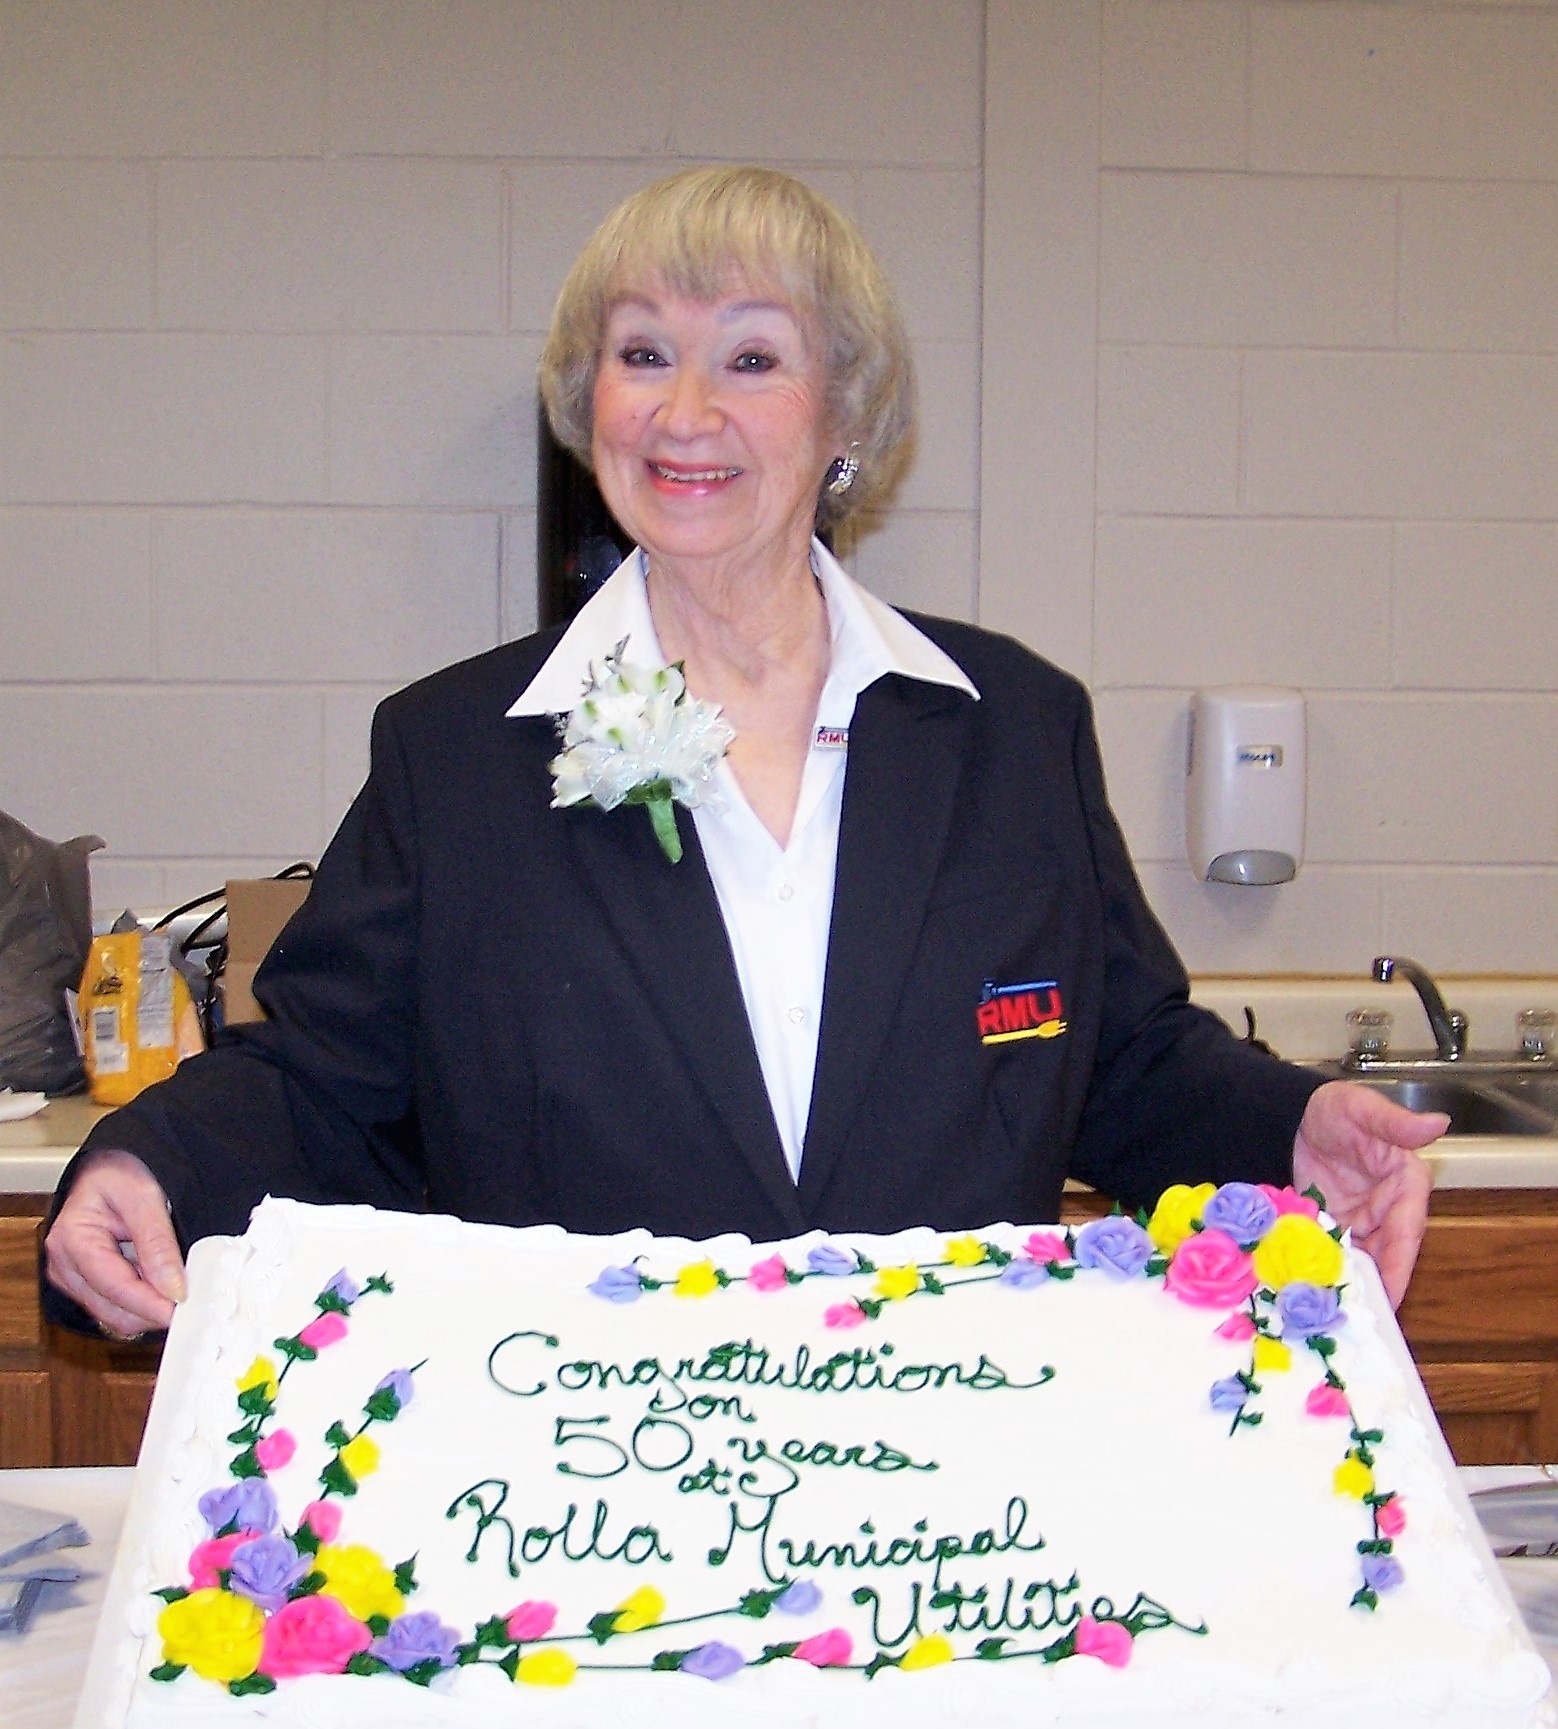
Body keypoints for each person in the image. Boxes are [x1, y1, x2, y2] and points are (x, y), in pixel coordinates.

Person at [43, 166, 1446, 1343]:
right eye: (642, 353)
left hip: (943, 1454)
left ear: (846, 418)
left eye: (753, 359)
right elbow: (328, 1085)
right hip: (589, 1471)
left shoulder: (1011, 728)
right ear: (588, 397)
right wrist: (148, 1162)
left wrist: (1292, 1130)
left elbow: (1117, 1060)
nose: (685, 411)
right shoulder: (455, 756)